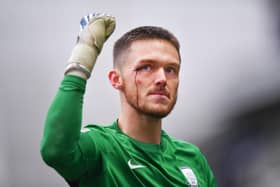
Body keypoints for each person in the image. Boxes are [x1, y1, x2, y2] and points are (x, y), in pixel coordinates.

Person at [40, 13, 217, 187]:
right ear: (116, 79)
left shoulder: (192, 158)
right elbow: (56, 151)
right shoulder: (101, 148)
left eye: (171, 69)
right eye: (147, 67)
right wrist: (82, 59)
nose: (162, 78)